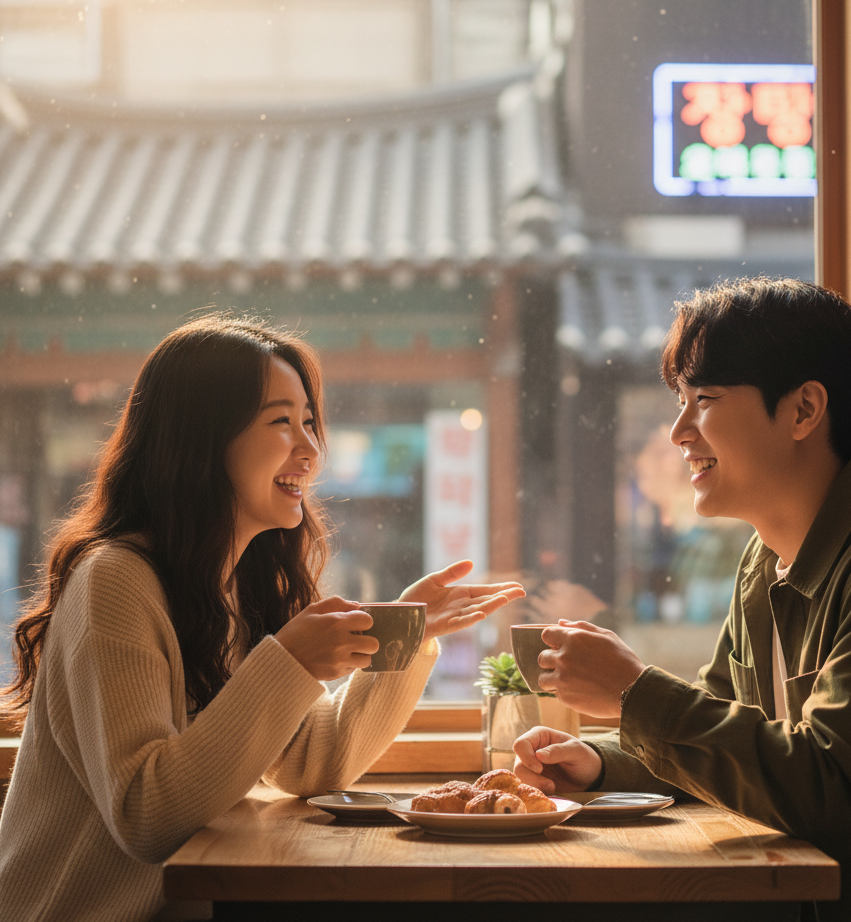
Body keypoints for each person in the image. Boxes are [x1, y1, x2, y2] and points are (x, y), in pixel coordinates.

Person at [512, 278, 851, 922]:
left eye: (704, 399)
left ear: (805, 410)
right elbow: (731, 740)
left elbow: (831, 792)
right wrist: (597, 764)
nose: (677, 432)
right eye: (680, 401)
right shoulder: (767, 558)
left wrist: (633, 693)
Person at [0, 314, 524, 922]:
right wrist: (291, 661)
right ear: (201, 439)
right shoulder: (115, 580)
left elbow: (310, 764)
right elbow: (147, 817)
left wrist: (407, 639)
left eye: (309, 422)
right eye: (282, 422)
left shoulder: (227, 587)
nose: (310, 448)